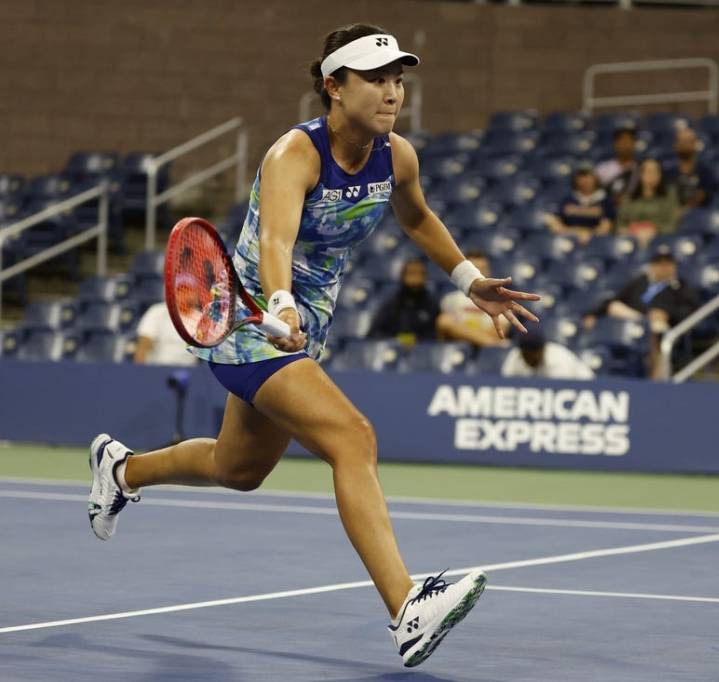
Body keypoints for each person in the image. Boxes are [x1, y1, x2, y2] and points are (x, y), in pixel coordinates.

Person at [85, 24, 539, 668]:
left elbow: (415, 216)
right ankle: (405, 606)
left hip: (304, 324)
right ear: (333, 86)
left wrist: (469, 281)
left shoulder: (396, 155)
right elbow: (276, 240)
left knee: (239, 469)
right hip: (249, 320)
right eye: (376, 79)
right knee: (353, 438)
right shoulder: (293, 157)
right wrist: (279, 305)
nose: (392, 92)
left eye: (398, 79)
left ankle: (121, 469)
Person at [585, 245, 698, 377]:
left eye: (667, 264)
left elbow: (690, 311)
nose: (664, 268)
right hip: (635, 321)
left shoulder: (680, 287)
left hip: (662, 329)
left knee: (655, 327)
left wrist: (667, 313)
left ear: (674, 266)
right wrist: (593, 314)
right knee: (614, 307)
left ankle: (656, 378)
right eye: (659, 264)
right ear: (652, 266)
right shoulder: (641, 282)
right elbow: (615, 299)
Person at [437, 250, 511, 348]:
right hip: (458, 349)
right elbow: (444, 325)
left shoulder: (500, 301)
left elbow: (498, 333)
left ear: (489, 271)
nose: (479, 274)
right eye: (475, 269)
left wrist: (460, 332)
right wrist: (483, 339)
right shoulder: (451, 299)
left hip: (487, 353)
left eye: (483, 269)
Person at [368, 257, 439, 345]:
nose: (415, 278)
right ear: (403, 276)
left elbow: (436, 335)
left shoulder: (432, 305)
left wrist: (417, 341)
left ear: (425, 277)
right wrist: (396, 341)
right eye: (411, 273)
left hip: (423, 354)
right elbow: (375, 332)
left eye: (419, 274)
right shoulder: (391, 304)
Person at [543, 162, 615, 244]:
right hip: (569, 240)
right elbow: (555, 222)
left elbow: (605, 227)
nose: (585, 180)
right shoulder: (568, 199)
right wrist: (574, 233)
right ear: (575, 179)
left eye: (589, 176)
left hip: (596, 242)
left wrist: (589, 234)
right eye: (581, 176)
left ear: (596, 178)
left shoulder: (605, 200)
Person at [616, 158, 681, 246]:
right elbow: (621, 223)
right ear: (640, 174)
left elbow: (673, 223)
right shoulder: (630, 197)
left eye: (656, 171)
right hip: (631, 240)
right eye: (648, 171)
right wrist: (628, 231)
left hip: (661, 240)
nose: (652, 175)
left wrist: (655, 229)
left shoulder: (669, 196)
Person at [501, 329, 594, 380]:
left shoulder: (557, 358)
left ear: (543, 349)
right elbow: (505, 381)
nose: (531, 355)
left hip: (585, 387)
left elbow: (561, 390)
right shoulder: (515, 355)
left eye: (534, 351)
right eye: (527, 351)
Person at [134, 300, 198, 366]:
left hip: (190, 370)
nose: (187, 295)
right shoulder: (157, 311)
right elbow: (144, 344)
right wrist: (140, 370)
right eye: (181, 290)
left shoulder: (202, 318)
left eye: (192, 291)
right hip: (158, 368)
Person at [671, 126, 711, 210]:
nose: (684, 144)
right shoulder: (669, 171)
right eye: (680, 141)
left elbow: (702, 196)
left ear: (695, 144)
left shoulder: (705, 171)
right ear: (675, 145)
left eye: (687, 141)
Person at [595, 125, 639, 200]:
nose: (626, 145)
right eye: (622, 141)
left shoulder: (641, 169)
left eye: (629, 141)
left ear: (634, 144)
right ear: (615, 144)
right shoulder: (602, 169)